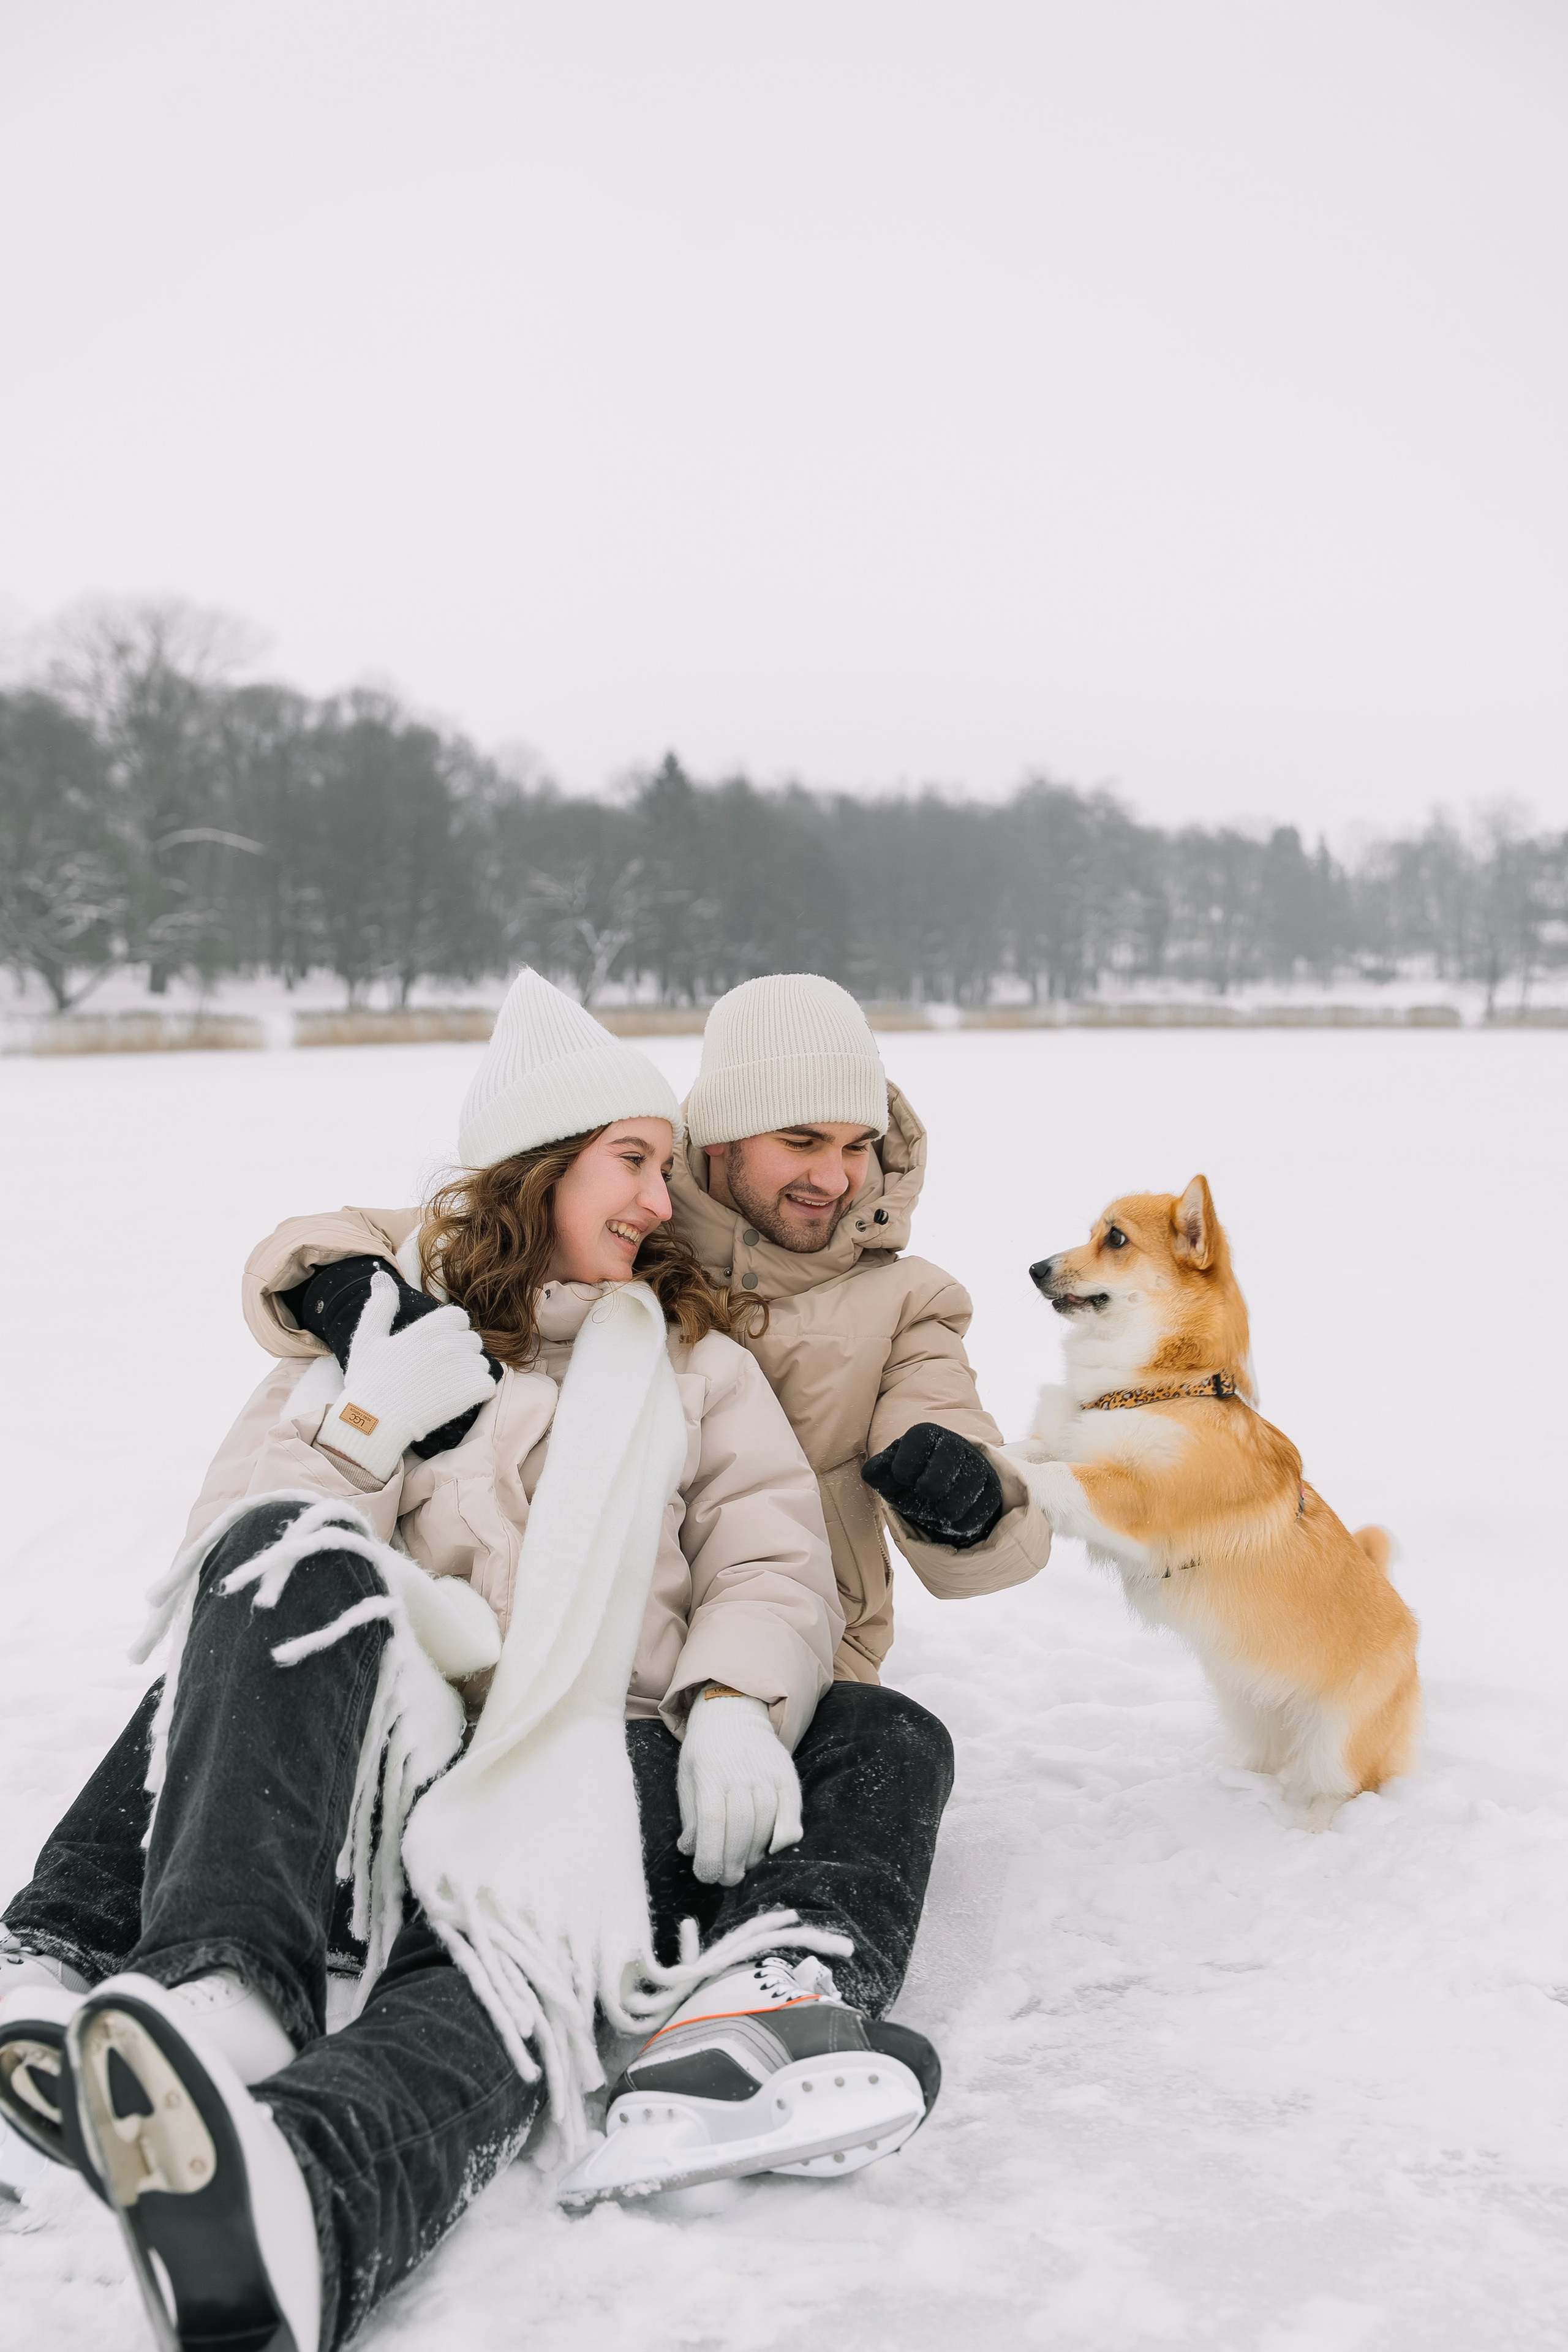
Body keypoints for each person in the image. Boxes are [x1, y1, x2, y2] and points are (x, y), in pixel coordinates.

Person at [0, 971, 952, 2352]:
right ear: (533, 1176)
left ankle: (306, 2200)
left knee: (516, 1961)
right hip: (379, 1764)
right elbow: (246, 1560)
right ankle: (210, 1993)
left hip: (599, 1759)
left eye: (656, 1164)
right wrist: (366, 1430)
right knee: (292, 1558)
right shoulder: (389, 1335)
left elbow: (768, 1562)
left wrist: (737, 1702)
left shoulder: (696, 1365)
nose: (655, 1198)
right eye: (627, 1164)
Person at [237, 972, 1054, 1686]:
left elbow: (947, 1424)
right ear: (724, 1140)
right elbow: (414, 1227)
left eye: (857, 1146)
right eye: (802, 1141)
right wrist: (340, 1284)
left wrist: (972, 1503)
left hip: (801, 1658)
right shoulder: (627, 1230)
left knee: (891, 1754)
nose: (836, 1178)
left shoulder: (909, 1302)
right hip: (599, 1634)